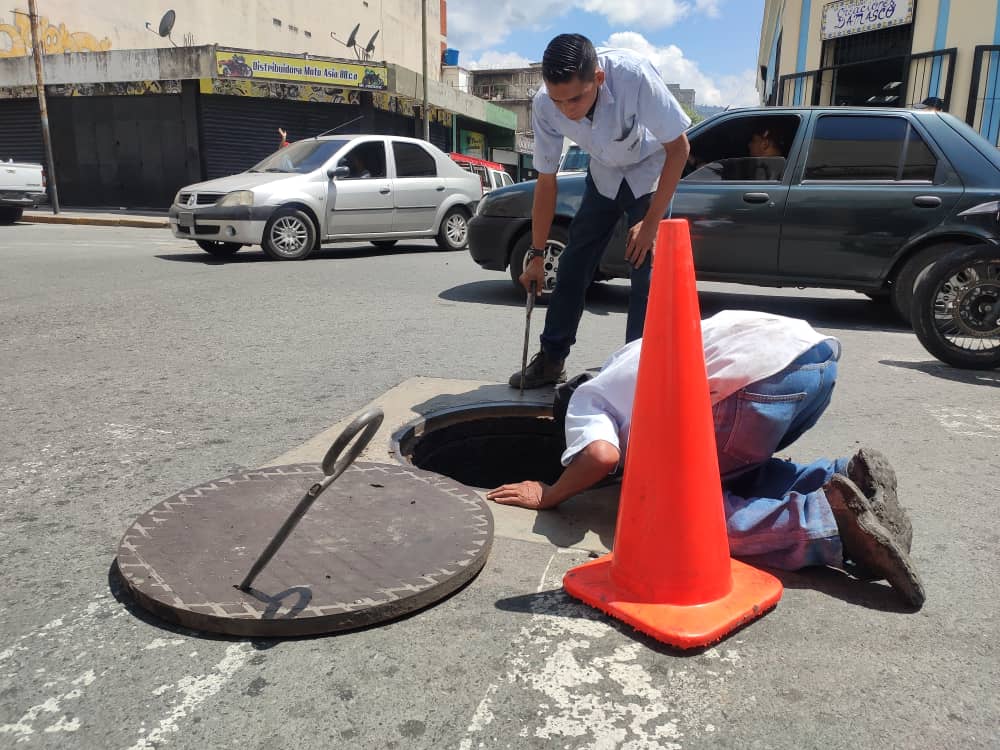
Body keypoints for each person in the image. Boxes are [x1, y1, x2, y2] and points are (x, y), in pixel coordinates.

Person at [487, 310, 925, 607]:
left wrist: (551, 493)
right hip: (816, 359)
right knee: (730, 471)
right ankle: (844, 477)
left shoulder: (587, 397)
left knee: (680, 517)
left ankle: (831, 525)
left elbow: (601, 456)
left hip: (752, 385)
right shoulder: (627, 357)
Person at [510, 34, 691, 389]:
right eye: (559, 100)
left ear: (599, 78)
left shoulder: (633, 76)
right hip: (604, 174)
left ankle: (640, 373)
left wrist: (651, 223)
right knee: (575, 259)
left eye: (576, 98)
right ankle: (552, 359)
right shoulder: (545, 104)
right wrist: (536, 253)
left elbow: (679, 149)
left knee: (646, 267)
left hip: (649, 169)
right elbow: (547, 182)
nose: (568, 109)